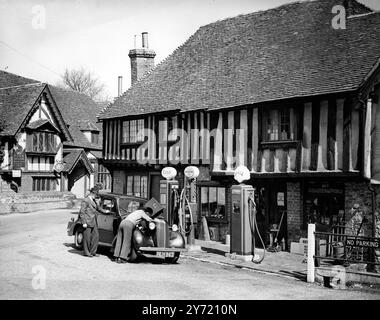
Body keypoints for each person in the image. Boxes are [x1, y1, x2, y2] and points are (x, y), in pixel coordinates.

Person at [79, 186, 103, 257]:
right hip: (87, 221)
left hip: (94, 221)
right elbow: (82, 212)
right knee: (87, 238)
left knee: (96, 236)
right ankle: (86, 252)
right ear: (92, 194)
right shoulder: (86, 200)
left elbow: (98, 209)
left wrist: (105, 211)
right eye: (96, 195)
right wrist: (84, 222)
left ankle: (93, 252)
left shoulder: (94, 200)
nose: (96, 196)